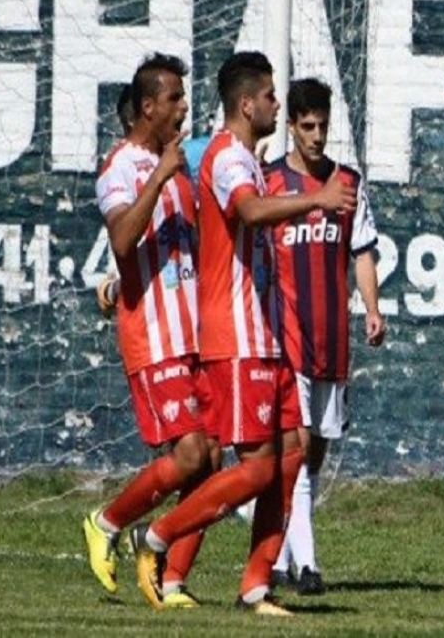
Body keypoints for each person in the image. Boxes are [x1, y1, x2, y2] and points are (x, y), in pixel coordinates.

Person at [131, 51, 357, 616]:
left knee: (292, 453)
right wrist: (317, 199)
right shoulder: (230, 157)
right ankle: (155, 537)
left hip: (264, 333)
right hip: (234, 337)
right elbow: (251, 212)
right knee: (255, 466)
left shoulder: (248, 158)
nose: (278, 105)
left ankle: (255, 585)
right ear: (246, 103)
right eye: (273, 97)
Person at [85, 52, 214, 609]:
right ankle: (108, 522)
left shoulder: (178, 162)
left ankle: (168, 571)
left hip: (195, 335)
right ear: (148, 106)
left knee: (211, 458)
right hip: (154, 335)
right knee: (189, 455)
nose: (184, 107)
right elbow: (122, 239)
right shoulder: (121, 165)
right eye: (175, 99)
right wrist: (160, 175)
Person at [264, 77, 386, 595]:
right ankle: (307, 565)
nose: (315, 136)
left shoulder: (348, 184)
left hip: (332, 339)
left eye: (322, 126)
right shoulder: (269, 183)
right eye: (306, 126)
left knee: (314, 455)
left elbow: (362, 252)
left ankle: (277, 557)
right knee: (299, 443)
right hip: (287, 334)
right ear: (291, 125)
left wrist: (373, 309)